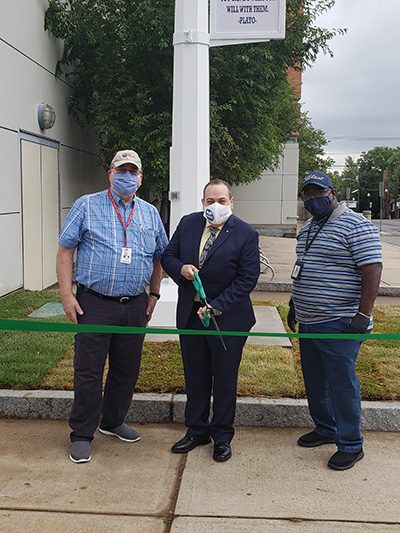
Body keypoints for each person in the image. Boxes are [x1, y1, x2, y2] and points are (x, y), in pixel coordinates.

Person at [56, 149, 168, 463]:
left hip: (134, 306)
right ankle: (81, 433)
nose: (127, 176)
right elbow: (65, 250)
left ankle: (113, 420)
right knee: (89, 373)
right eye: (122, 170)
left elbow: (159, 256)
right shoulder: (86, 206)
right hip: (95, 304)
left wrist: (154, 294)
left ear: (141, 178)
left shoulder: (149, 213)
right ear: (110, 173)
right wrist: (67, 295)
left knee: (126, 370)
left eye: (133, 172)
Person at [288, 171, 382, 471]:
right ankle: (325, 428)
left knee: (341, 383)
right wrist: (294, 302)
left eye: (319, 193)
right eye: (308, 195)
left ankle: (351, 444)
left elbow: (372, 269)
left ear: (333, 193)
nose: (313, 199)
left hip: (340, 320)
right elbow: (302, 266)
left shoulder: (356, 225)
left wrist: (363, 314)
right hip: (309, 319)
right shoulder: (308, 228)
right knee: (315, 380)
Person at [161, 179, 260, 462]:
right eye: (209, 201)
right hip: (191, 316)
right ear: (202, 202)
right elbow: (168, 255)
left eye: (221, 201)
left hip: (227, 319)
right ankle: (196, 430)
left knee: (225, 379)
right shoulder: (189, 224)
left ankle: (222, 436)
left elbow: (247, 279)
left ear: (232, 202)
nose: (215, 206)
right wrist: (181, 268)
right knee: (196, 375)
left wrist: (216, 306)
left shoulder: (245, 234)